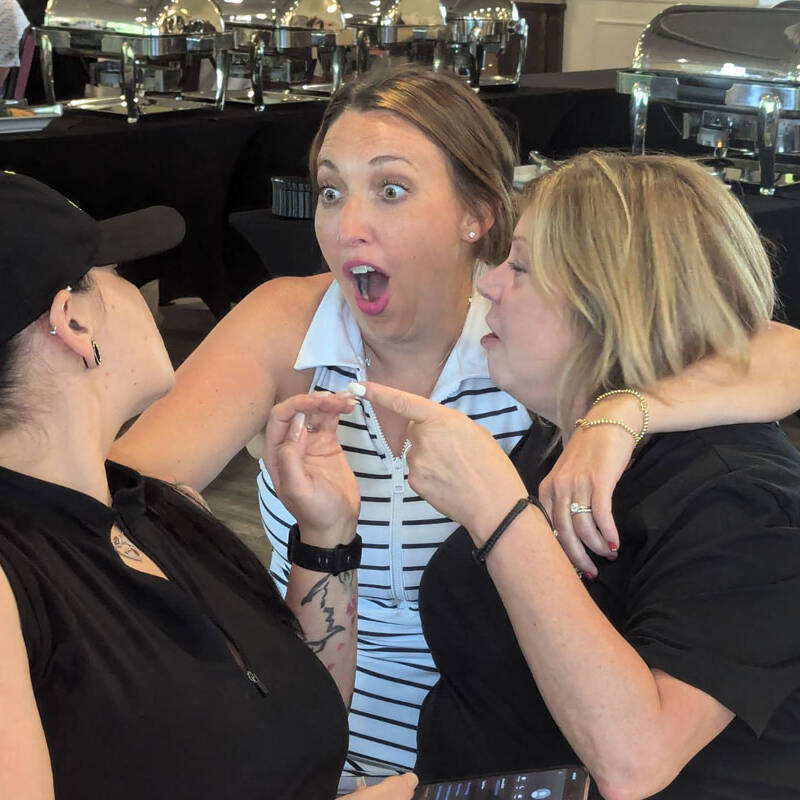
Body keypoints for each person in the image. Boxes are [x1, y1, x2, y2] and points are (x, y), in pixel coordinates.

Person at [111, 66, 800, 782]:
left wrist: (617, 414)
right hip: (348, 750)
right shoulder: (307, 328)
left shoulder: (530, 358)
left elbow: (749, 342)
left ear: (477, 215)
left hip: (501, 770)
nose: (347, 226)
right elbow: (113, 502)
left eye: (391, 190)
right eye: (329, 191)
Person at [353, 152, 800, 799]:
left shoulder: (742, 501)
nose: (488, 285)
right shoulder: (562, 442)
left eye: (523, 268)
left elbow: (634, 759)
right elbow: (509, 709)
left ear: (617, 300)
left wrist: (497, 513)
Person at [0, 171, 417, 800]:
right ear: (74, 324)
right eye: (116, 275)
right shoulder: (16, 576)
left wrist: (325, 538)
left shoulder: (155, 508)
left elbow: (294, 723)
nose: (136, 293)